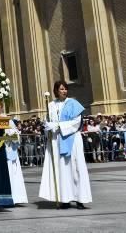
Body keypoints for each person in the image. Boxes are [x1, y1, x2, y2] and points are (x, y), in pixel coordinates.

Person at [39, 80, 92, 209]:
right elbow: (48, 121)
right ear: (56, 91)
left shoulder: (73, 103)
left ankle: (80, 199)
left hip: (72, 139)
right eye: (61, 89)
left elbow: (76, 122)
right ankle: (65, 199)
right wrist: (47, 125)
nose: (64, 91)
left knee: (76, 168)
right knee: (62, 169)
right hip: (57, 140)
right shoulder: (51, 105)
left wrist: (57, 125)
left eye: (65, 89)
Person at [5, 119, 28, 204]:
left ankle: (17, 197)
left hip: (12, 155)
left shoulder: (13, 128)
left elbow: (17, 139)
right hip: (6, 154)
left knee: (14, 175)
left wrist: (11, 134)